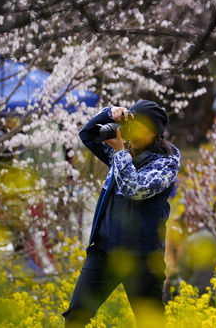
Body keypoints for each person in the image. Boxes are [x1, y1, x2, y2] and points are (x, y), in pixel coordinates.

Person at [63, 100, 180, 328]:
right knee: (75, 317)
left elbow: (133, 189)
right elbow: (87, 134)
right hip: (105, 251)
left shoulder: (166, 162)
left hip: (142, 258)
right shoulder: (125, 151)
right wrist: (110, 113)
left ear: (155, 132)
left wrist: (119, 151)